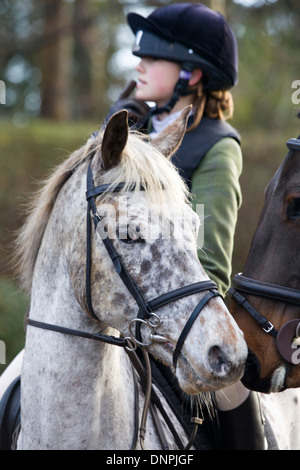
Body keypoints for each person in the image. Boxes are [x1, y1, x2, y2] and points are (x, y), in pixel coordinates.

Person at [106, 3, 267, 450]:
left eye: (153, 56)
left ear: (191, 74)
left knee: (230, 384)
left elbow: (211, 262)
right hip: (108, 307)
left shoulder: (218, 147)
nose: (138, 63)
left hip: (173, 316)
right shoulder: (124, 126)